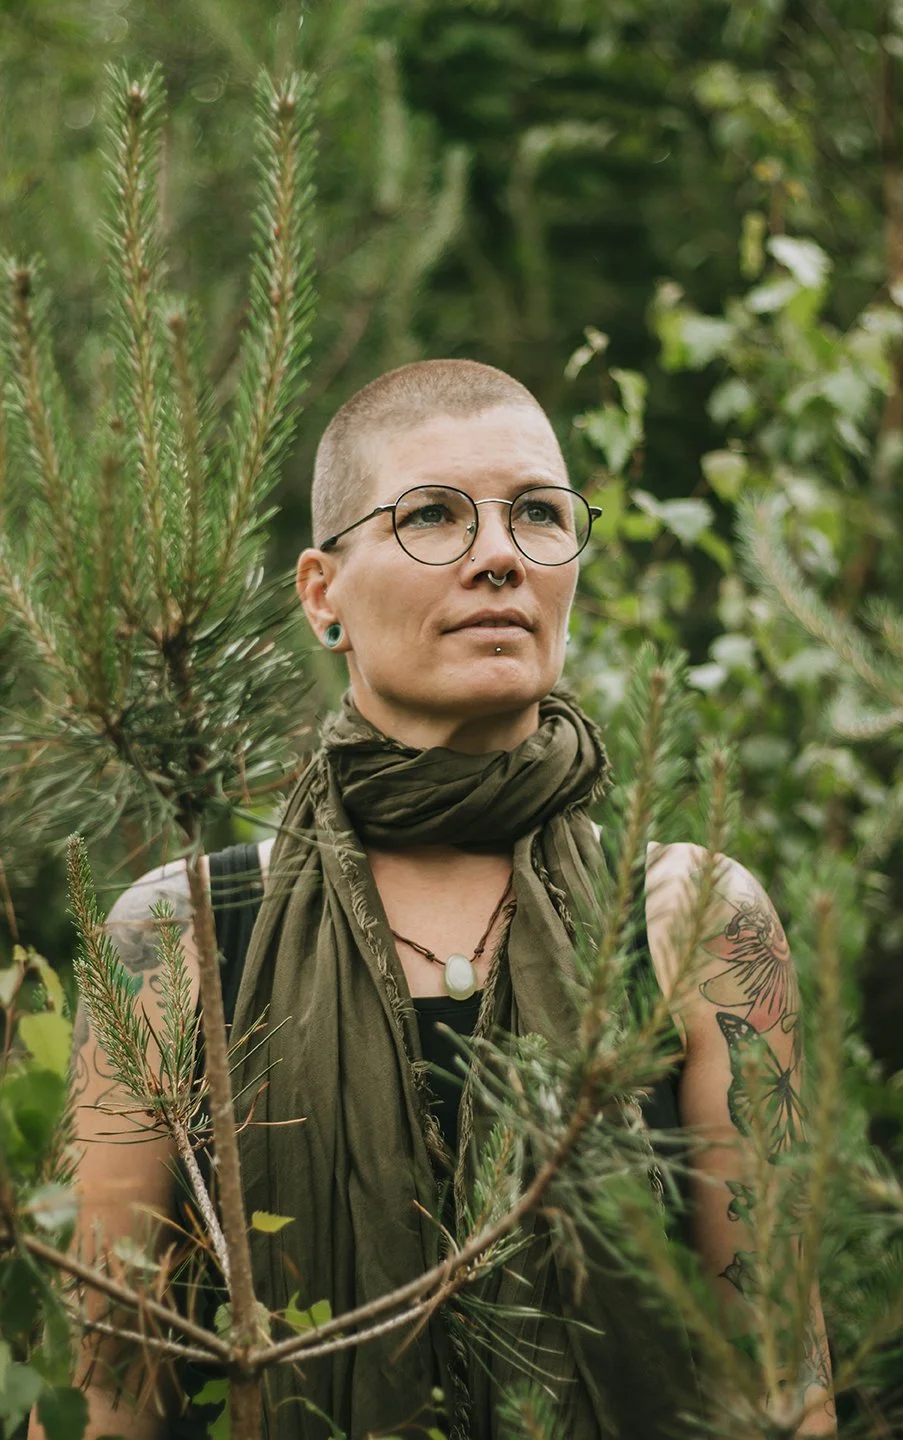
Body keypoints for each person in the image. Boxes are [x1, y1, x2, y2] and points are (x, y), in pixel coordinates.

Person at [44, 360, 835, 1440]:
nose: (501, 556)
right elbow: (104, 1397)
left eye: (540, 515)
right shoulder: (176, 939)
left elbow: (783, 1392)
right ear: (323, 593)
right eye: (432, 517)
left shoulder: (692, 923)